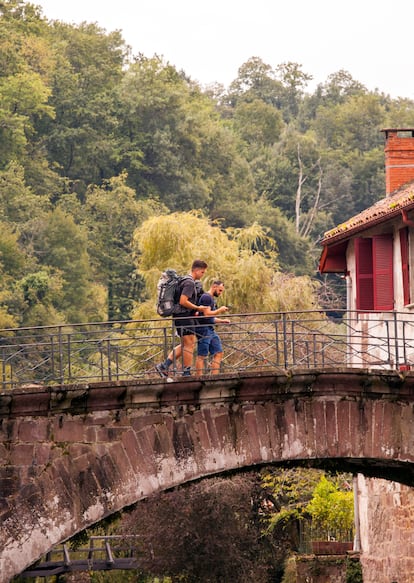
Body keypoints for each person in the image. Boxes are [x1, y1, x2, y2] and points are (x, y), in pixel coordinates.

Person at [156, 259, 209, 377]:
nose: (203, 275)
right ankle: (186, 372)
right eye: (203, 272)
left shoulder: (184, 280)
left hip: (181, 317)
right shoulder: (189, 283)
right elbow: (183, 301)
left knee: (186, 344)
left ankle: (164, 366)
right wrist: (198, 308)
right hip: (184, 317)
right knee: (189, 344)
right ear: (197, 270)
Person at [195, 280, 230, 376]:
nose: (220, 293)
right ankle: (199, 377)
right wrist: (220, 310)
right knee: (202, 354)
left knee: (218, 352)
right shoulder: (206, 297)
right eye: (220, 290)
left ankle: (214, 375)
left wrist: (222, 321)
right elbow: (206, 314)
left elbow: (210, 317)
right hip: (203, 329)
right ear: (214, 286)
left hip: (210, 329)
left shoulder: (211, 299)